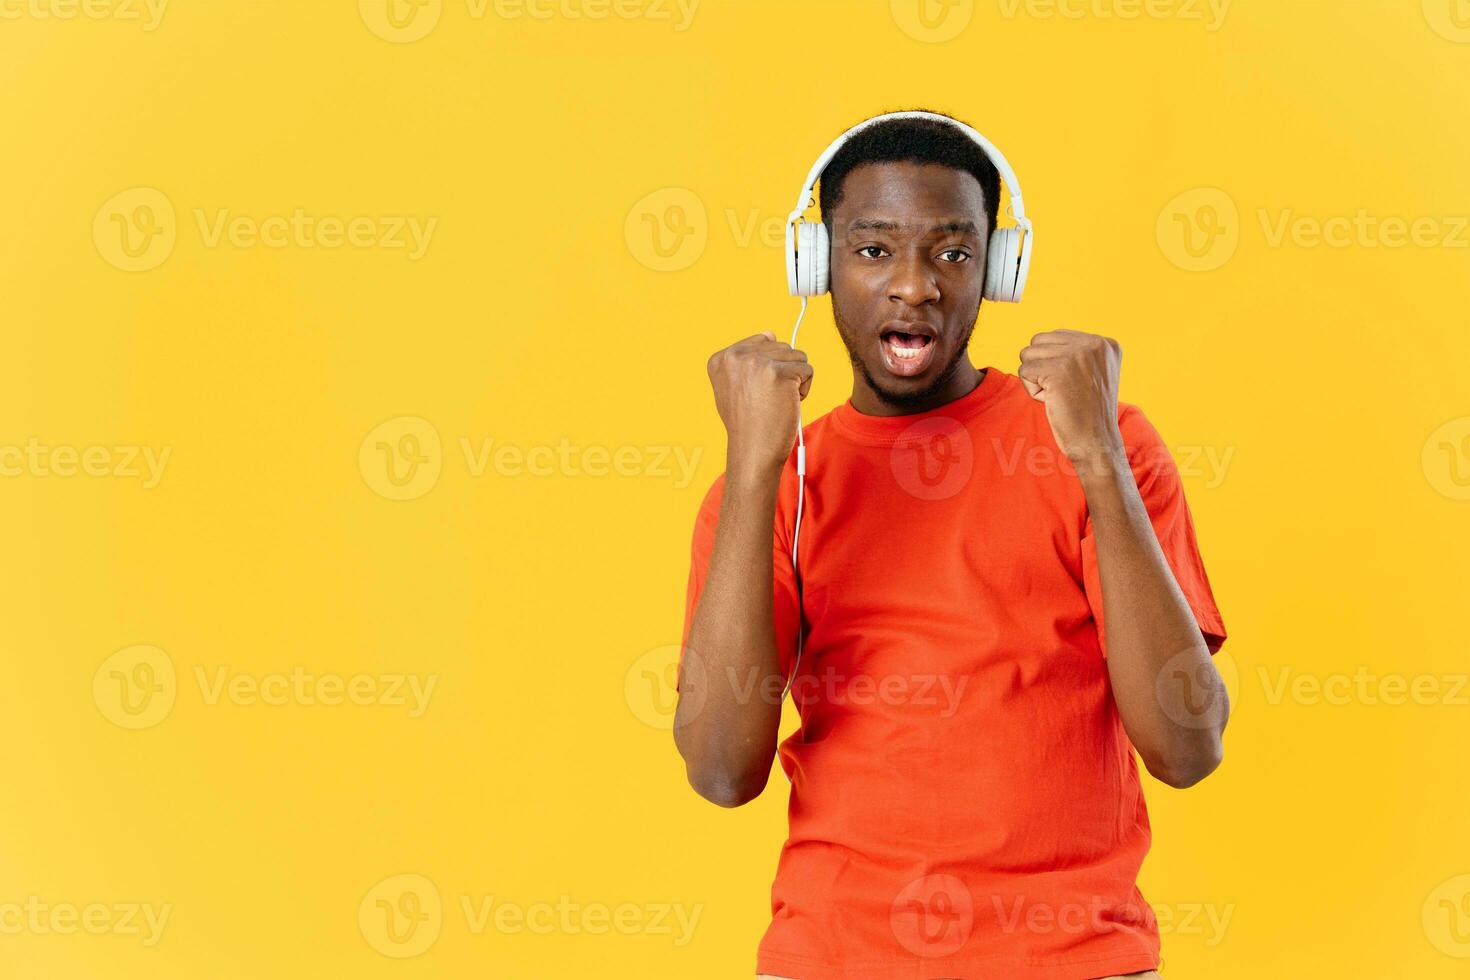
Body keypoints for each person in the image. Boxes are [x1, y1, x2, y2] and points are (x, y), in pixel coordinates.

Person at [673, 110, 1230, 979]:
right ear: (815, 265)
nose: (915, 286)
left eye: (953, 252)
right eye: (872, 250)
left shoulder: (1101, 443)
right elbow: (718, 768)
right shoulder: (774, 478)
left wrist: (1097, 459)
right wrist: (754, 470)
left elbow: (1188, 747)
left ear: (997, 271)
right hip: (834, 956)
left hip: (1077, 959)